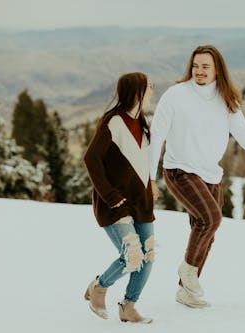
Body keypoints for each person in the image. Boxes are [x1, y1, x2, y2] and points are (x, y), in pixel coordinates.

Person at [149, 45, 245, 308]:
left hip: (210, 174)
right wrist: (149, 178)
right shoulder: (175, 95)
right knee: (210, 219)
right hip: (179, 169)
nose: (199, 71)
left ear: (217, 70)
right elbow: (156, 136)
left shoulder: (225, 98)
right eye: (195, 66)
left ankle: (186, 291)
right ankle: (188, 270)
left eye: (205, 66)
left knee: (207, 230)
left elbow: (242, 130)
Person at [83, 72, 156, 324]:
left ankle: (128, 306)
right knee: (131, 254)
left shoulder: (143, 122)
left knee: (147, 255)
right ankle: (99, 288)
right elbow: (91, 159)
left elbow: (140, 163)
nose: (152, 90)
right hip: (115, 203)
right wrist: (109, 195)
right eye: (149, 87)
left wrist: (151, 185)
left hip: (141, 203)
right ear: (137, 92)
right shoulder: (113, 121)